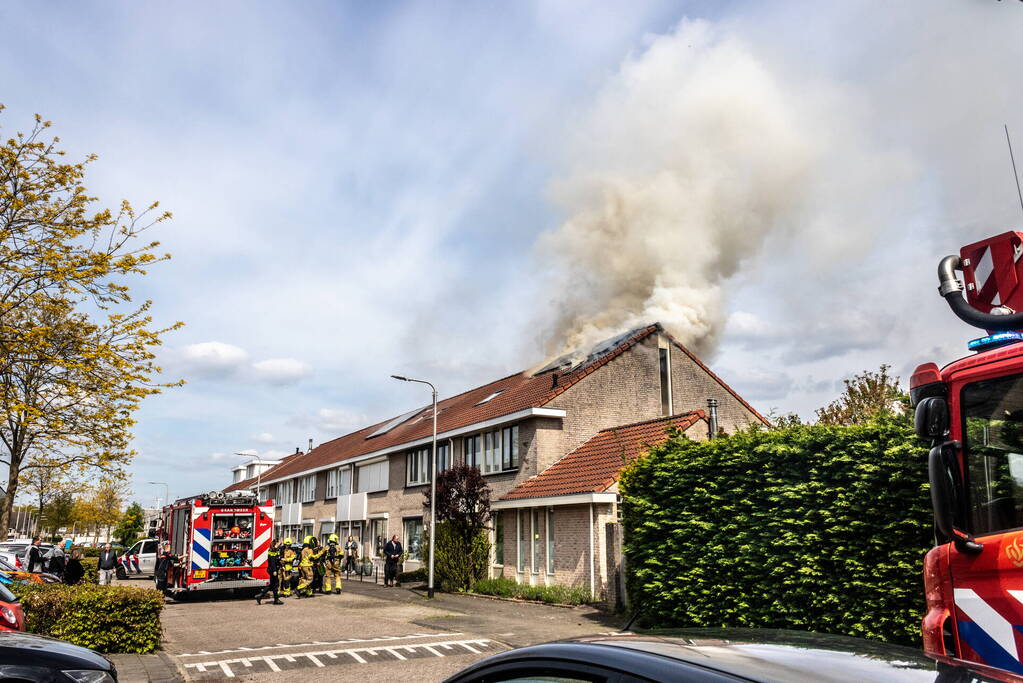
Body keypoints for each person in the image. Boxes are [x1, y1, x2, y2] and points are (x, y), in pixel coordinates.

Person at [256, 538, 284, 605]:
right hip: (272, 570)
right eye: (280, 542)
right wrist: (274, 570)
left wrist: (281, 566)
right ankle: (275, 599)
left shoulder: (276, 550)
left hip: (274, 569)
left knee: (272, 585)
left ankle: (260, 596)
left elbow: (277, 560)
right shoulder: (272, 550)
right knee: (275, 584)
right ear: (276, 543)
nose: (281, 543)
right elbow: (272, 561)